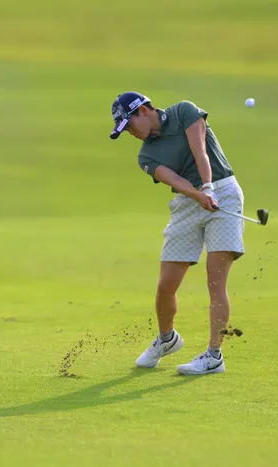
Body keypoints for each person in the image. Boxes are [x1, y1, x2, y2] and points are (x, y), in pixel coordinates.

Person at [109, 91, 246, 376]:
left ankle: (214, 356)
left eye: (129, 125)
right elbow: (174, 179)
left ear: (143, 110)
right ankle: (167, 339)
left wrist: (208, 188)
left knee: (215, 281)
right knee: (165, 285)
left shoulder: (185, 111)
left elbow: (200, 151)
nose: (130, 133)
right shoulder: (146, 155)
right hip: (187, 202)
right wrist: (198, 195)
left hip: (222, 192)